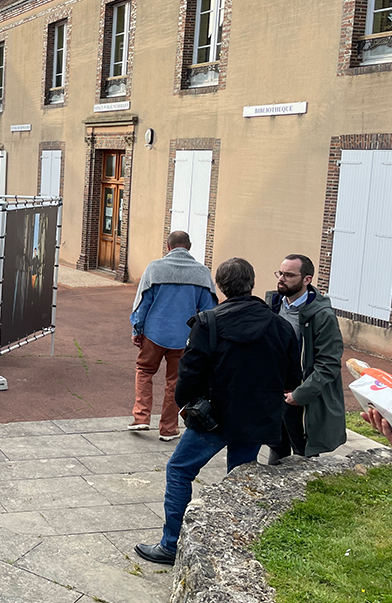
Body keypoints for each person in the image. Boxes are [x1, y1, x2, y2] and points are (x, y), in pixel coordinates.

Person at [134, 258, 301, 565]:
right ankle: (236, 548)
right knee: (239, 480)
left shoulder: (208, 323)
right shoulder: (281, 327)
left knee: (180, 470)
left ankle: (172, 544)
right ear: (251, 282)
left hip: (215, 416)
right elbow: (293, 377)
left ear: (221, 287)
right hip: (257, 415)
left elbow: (190, 374)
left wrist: (185, 404)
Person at [129, 231, 217, 440]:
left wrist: (137, 330)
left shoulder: (155, 269)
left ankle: (141, 418)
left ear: (168, 247)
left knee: (144, 371)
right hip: (185, 337)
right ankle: (168, 428)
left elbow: (143, 303)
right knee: (175, 381)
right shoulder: (202, 273)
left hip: (154, 332)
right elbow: (209, 310)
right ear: (190, 247)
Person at [266, 254, 345, 460]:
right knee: (275, 448)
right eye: (280, 273)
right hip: (274, 391)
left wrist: (301, 395)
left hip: (299, 397)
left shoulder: (322, 315)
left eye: (289, 275)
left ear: (307, 279)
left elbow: (329, 364)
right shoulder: (273, 304)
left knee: (303, 455)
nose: (281, 278)